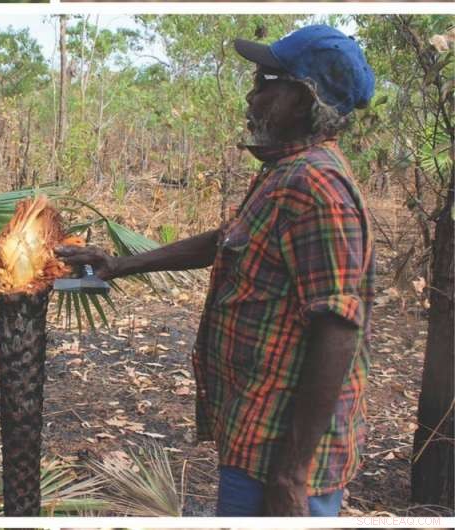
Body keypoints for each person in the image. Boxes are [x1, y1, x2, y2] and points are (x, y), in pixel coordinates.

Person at [57, 24, 375, 517]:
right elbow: (223, 241)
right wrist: (119, 264)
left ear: (306, 98)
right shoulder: (284, 171)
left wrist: (293, 475)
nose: (253, 95)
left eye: (268, 81)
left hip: (281, 452)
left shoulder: (316, 187)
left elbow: (337, 327)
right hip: (255, 430)